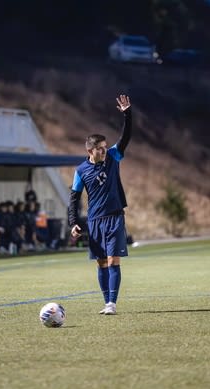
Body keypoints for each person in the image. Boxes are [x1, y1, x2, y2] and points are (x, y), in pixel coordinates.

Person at [68, 94, 132, 316]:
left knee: (114, 260)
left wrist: (127, 114)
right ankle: (106, 303)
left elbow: (126, 137)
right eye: (100, 148)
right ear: (90, 151)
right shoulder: (80, 171)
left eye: (105, 147)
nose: (105, 150)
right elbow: (74, 198)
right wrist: (74, 222)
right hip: (95, 221)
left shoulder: (114, 157)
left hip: (114, 217)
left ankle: (112, 304)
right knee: (101, 263)